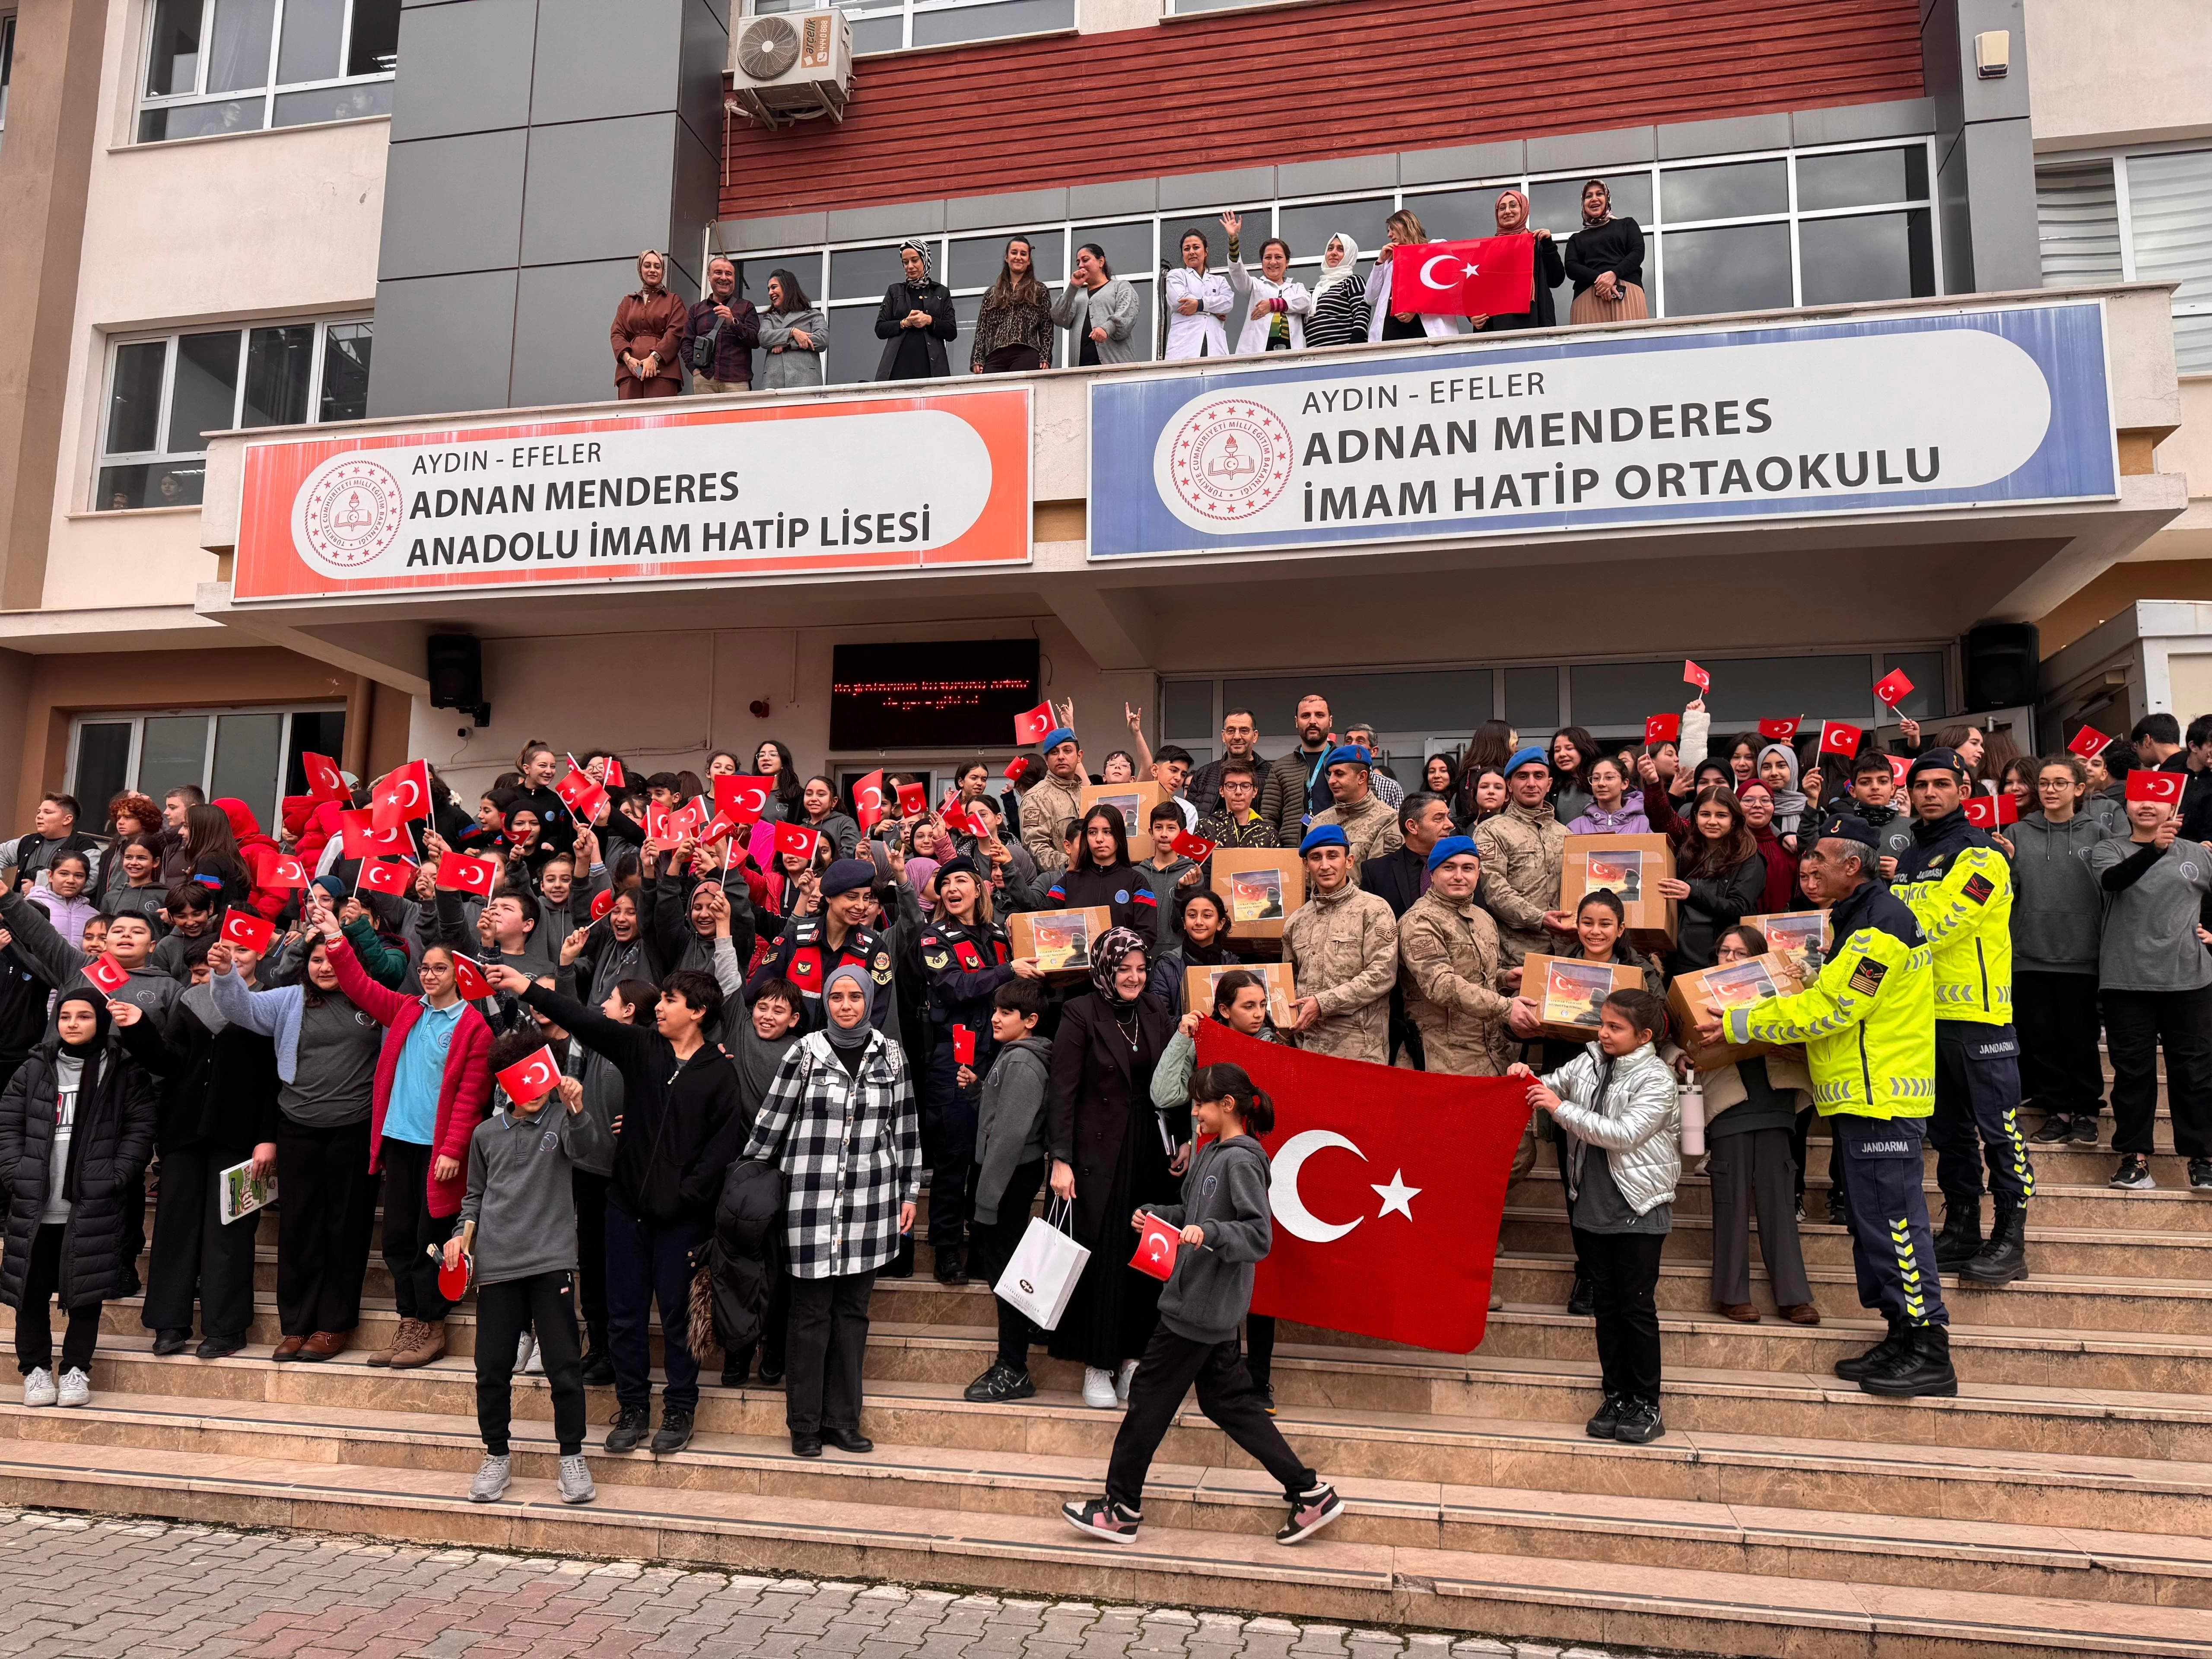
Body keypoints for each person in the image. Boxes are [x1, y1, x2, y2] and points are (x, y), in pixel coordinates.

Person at [1698, 815, 1955, 1398]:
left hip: (1883, 1099)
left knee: (1896, 1227)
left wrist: (1742, 1020)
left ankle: (1929, 1346)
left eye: (1820, 861)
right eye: (1806, 861)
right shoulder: (1855, 922)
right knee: (1872, 1231)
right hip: (1859, 1099)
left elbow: (1833, 1010)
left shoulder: (1883, 926)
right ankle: (1899, 1335)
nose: (1808, 870)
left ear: (1852, 867)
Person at [1062, 1062, 1343, 1549]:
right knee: (1226, 1401)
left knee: (1148, 1399)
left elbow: (1258, 1236)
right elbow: (1195, 1215)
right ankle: (1309, 1492)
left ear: (1227, 1106)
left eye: (1199, 1104)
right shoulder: (1212, 1154)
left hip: (1198, 1308)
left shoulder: (1242, 1160)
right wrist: (1161, 1216)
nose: (1193, 1112)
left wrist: (1207, 1233)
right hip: (1198, 1302)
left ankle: (1120, 1508)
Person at [505, 966, 741, 1456]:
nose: (659, 1005)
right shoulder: (642, 1049)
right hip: (625, 1209)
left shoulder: (720, 1072)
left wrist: (686, 1197)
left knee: (677, 1319)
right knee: (624, 1316)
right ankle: (632, 1407)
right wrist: (524, 987)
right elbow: (584, 1021)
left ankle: (680, 1408)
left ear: (696, 1012)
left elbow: (722, 1149)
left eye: (671, 1000)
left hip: (681, 1222)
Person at [316, 889, 495, 1371]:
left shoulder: (472, 1026)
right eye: (425, 969)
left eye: (439, 969)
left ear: (459, 974)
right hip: (400, 1143)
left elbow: (471, 1096)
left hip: (439, 1151)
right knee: (396, 1239)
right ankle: (409, 1319)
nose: (429, 975)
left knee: (430, 1240)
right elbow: (358, 984)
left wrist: (455, 1148)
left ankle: (431, 1325)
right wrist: (336, 936)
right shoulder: (408, 1011)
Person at [745, 963, 919, 1457]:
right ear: (826, 1001)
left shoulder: (890, 1056)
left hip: (870, 1204)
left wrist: (909, 1194)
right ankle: (804, 1424)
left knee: (852, 1315)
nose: (846, 1006)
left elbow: (905, 1129)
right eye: (837, 997)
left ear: (868, 1002)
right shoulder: (805, 1052)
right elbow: (770, 1124)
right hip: (810, 1203)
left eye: (855, 998)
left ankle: (843, 1421)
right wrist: (748, 1181)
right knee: (809, 1316)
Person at [1893, 750, 2034, 1286]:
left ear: (1963, 791)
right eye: (1920, 785)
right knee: (1948, 1133)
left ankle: (2010, 1237)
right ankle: (1961, 1227)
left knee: (1999, 1132)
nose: (1929, 793)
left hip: (1978, 1016)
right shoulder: (1908, 857)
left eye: (1941, 784)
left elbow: (1943, 920)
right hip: (1922, 1016)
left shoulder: (1981, 855)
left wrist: (1874, 919)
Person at [1513, 987, 1678, 1443]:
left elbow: (1624, 1134)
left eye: (1615, 1028)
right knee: (1605, 1309)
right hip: (1590, 1205)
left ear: (1643, 1035)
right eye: (1602, 1024)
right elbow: (1550, 1084)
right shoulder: (1587, 1059)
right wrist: (1526, 1076)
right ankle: (1616, 1395)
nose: (1603, 1034)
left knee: (1636, 1308)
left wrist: (1558, 1109)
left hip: (1639, 1207)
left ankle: (1646, 1403)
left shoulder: (1658, 1079)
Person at [209, 930, 383, 1361]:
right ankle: (297, 1325)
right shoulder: (289, 999)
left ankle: (333, 1325)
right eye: (316, 960)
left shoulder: (375, 1003)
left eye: (333, 959)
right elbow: (241, 1009)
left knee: (346, 1229)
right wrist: (225, 974)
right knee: (299, 1228)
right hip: (298, 1127)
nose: (324, 967)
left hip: (354, 1129)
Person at [452, 1033, 608, 1507]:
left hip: (551, 1261)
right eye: (522, 1076)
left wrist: (578, 1109)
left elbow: (590, 1151)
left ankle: (571, 1458)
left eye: (540, 1072)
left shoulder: (563, 1119)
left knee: (564, 1366)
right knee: (491, 1369)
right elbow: (475, 1195)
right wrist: (462, 1235)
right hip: (497, 1265)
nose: (534, 1085)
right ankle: (496, 1455)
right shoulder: (484, 1134)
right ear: (505, 1081)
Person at [0, 988, 161, 1408]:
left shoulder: (124, 1071)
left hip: (91, 1204)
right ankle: (34, 1370)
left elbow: (140, 1128)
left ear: (101, 1022)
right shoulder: (34, 1069)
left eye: (84, 1016)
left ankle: (75, 1370)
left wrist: (118, 1175)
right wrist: (15, 1173)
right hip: (36, 1204)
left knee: (86, 1293)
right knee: (30, 1294)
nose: (73, 1023)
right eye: (66, 1015)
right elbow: (8, 1126)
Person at [1047, 927, 1179, 1409]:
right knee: (1101, 1256)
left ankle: (1132, 1361)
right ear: (1105, 968)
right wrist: (1060, 1160)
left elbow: (1172, 1082)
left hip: (1148, 1152)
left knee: (1144, 1255)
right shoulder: (1079, 1012)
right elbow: (1061, 1091)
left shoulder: (1154, 1012)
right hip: (1094, 1158)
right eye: (1124, 969)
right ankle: (1097, 1364)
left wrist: (1180, 1139)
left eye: (1141, 970)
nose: (1134, 978)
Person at [135, 934, 280, 1360]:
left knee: (230, 1233)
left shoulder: (270, 1006)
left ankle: (226, 1327)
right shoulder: (191, 1000)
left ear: (260, 958)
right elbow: (169, 1062)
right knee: (174, 1229)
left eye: (244, 951)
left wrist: (268, 1137)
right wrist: (138, 1031)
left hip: (242, 1137)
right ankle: (169, 1323)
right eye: (228, 950)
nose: (234, 958)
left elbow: (276, 1078)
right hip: (184, 1133)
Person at [1149, 973, 1284, 1400]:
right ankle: (1224, 1380)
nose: (1258, 1013)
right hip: (1204, 1178)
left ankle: (1255, 1381)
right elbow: (1164, 1091)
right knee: (1207, 1274)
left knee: (1256, 1278)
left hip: (1249, 1171)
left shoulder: (1278, 1046)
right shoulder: (1204, 1043)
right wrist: (1182, 1038)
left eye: (1262, 1004)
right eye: (1248, 1006)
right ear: (1222, 1009)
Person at [915, 854, 1036, 1284]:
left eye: (961, 881)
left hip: (1000, 1055)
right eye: (944, 883)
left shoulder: (1000, 934)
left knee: (991, 1158)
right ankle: (947, 1248)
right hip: (956, 1057)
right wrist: (1007, 971)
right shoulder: (934, 939)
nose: (951, 889)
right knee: (955, 1157)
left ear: (979, 889)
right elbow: (954, 987)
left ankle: (983, 1247)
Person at [2088, 788, 2212, 1191]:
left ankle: (2202, 1157)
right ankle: (2135, 1157)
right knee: (2133, 1073)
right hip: (2127, 978)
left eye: (2157, 799)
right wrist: (2155, 851)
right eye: (2138, 797)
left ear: (2173, 805)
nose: (2147, 805)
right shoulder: (2109, 849)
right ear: (2126, 805)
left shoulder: (2198, 853)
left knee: (2194, 1072)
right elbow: (2114, 882)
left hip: (2189, 978)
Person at [1700, 925, 1818, 1325]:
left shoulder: (1782, 992)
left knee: (1778, 1200)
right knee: (1730, 1198)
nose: (1730, 960)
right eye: (1724, 952)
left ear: (1758, 959)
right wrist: (1679, 1055)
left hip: (1774, 1098)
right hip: (1728, 1101)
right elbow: (1675, 1035)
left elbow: (1812, 1023)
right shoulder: (1698, 992)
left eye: (1740, 954)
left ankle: (1793, 1296)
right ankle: (1731, 1294)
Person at [961, 978, 1054, 1404]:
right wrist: (980, 1091)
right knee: (1005, 1272)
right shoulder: (1014, 1056)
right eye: (995, 1010)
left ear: (1030, 1021)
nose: (995, 1018)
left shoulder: (1022, 1062)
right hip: (1007, 1174)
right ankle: (1012, 1359)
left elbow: (1009, 1137)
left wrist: (984, 1203)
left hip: (1008, 1178)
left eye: (1006, 1013)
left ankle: (1013, 1367)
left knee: (1008, 1278)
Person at [2012, 756, 2113, 1148]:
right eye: (2044, 783)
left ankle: (2086, 1110)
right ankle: (2056, 1111)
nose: (2050, 790)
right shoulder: (2017, 833)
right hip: (2031, 953)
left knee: (2080, 1037)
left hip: (2082, 955)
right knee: (2042, 1037)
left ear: (2079, 789)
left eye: (2059, 783)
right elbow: (2007, 891)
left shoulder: (2099, 835)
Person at [1282, 826, 1398, 1064]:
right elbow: (1288, 981)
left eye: (1333, 856)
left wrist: (1323, 1003)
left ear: (1349, 861)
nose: (1325, 865)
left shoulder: (1374, 909)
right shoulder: (1296, 922)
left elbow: (1382, 974)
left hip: (1359, 1050)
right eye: (1316, 858)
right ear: (1306, 866)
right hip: (1308, 1048)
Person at [1399, 837, 1512, 1079]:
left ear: (1478, 873)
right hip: (1443, 1057)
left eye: (1468, 868)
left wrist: (1505, 978)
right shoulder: (1420, 921)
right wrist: (1507, 1008)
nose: (1459, 876)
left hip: (1491, 1053)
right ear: (1433, 872)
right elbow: (1440, 985)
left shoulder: (1484, 918)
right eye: (1449, 868)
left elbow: (1485, 973)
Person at [746, 858, 895, 1035]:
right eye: (852, 897)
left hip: (843, 1054)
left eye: (867, 898)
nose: (861, 906)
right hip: (789, 1050)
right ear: (830, 897)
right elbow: (756, 998)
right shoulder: (795, 937)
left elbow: (875, 1015)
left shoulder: (873, 949)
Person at [1651, 785, 1765, 978]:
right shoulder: (1687, 852)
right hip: (1680, 956)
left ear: (1735, 820)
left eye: (1721, 815)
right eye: (1705, 814)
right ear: (1695, 817)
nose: (1712, 822)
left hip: (1722, 957)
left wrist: (1693, 893)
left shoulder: (1750, 858)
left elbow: (1741, 908)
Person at [1474, 747, 1571, 967]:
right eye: (1522, 776)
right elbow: (1494, 891)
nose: (1531, 783)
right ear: (1510, 785)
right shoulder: (1492, 831)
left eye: (1539, 776)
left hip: (1568, 953)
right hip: (1517, 956)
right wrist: (1539, 919)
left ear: (1549, 784)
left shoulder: (1566, 835)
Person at [1040, 805, 1158, 936]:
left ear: (1119, 835)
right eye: (1093, 832)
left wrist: (1129, 952)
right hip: (1079, 955)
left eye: (1107, 832)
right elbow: (1041, 921)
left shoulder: (1136, 882)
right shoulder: (1068, 882)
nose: (1099, 839)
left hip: (1123, 956)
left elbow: (1147, 932)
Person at [1469, 188, 1564, 332]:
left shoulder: (1537, 243)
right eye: (1502, 208)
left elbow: (1556, 280)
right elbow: (1469, 289)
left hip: (1535, 326)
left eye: (1513, 206)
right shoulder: (1485, 250)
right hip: (1495, 329)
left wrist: (1549, 246)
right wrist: (1471, 316)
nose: (1507, 211)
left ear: (1524, 209)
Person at [1363, 208, 1463, 342]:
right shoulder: (1390, 263)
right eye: (1388, 231)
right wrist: (1380, 262)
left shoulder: (1435, 249)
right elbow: (1370, 298)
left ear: (1406, 225)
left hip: (1425, 333)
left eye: (1392, 228)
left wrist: (1417, 308)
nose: (1389, 235)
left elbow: (1449, 288)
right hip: (1391, 335)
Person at [1306, 744, 1403, 880]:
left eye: (1340, 774)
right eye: (1330, 774)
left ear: (1362, 777)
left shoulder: (1388, 819)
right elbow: (1307, 878)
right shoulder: (1320, 821)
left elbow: (1382, 880)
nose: (1332, 781)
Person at [1220, 213, 1311, 354]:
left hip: (1292, 358)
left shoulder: (1297, 288)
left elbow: (1305, 302)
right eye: (1268, 257)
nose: (1273, 262)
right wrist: (1234, 240)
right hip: (1258, 358)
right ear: (1262, 263)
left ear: (1287, 263)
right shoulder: (1255, 286)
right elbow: (1237, 271)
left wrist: (1272, 305)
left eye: (1279, 257)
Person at [1564, 180, 1648, 322]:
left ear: (1607, 199)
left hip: (1627, 294)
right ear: (1583, 203)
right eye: (1589, 196)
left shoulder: (1627, 225)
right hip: (1587, 298)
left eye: (1599, 194)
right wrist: (1600, 280)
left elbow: (1638, 252)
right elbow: (1571, 267)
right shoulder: (1576, 239)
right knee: (1589, 344)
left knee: (1632, 342)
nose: (1594, 199)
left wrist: (1614, 274)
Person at [970, 235, 1056, 374]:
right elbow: (982, 328)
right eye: (1014, 253)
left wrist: (1046, 356)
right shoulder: (992, 293)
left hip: (1026, 351)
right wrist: (977, 358)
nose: (1018, 257)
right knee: (992, 393)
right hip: (995, 354)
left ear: (1029, 261)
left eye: (1023, 254)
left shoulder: (1039, 290)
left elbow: (1047, 328)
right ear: (1007, 257)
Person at [874, 239, 958, 381]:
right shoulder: (894, 291)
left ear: (925, 260)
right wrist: (904, 323)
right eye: (905, 262)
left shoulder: (941, 292)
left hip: (931, 370)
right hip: (897, 369)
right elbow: (880, 329)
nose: (910, 267)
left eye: (915, 260)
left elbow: (951, 332)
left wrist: (929, 320)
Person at [1364, 792, 1455, 920]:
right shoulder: (1376, 872)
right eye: (1439, 818)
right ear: (1413, 826)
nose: (1450, 825)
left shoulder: (1463, 867)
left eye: (1448, 817)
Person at [611, 249, 685, 400]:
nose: (652, 270)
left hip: (664, 371)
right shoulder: (627, 303)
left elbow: (676, 332)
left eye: (657, 267)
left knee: (660, 419)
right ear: (640, 269)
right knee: (630, 420)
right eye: (647, 266)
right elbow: (617, 334)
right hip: (630, 372)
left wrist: (654, 358)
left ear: (663, 271)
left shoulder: (673, 301)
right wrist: (628, 360)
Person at [1052, 243, 1141, 366]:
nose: (1081, 265)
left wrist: (1107, 328)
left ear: (1101, 262)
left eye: (1085, 260)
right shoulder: (1077, 295)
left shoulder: (1121, 287)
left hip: (1115, 368)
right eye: (1078, 263)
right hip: (1081, 372)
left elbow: (1128, 314)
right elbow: (1058, 318)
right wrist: (1073, 287)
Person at [684, 254, 758, 394]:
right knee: (705, 417)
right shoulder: (696, 309)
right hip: (704, 380)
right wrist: (695, 371)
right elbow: (687, 343)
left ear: (734, 279)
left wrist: (733, 322)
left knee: (739, 417)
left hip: (737, 380)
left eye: (729, 274)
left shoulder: (747, 307)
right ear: (709, 276)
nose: (724, 278)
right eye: (718, 273)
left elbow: (755, 341)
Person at [1021, 723, 1087, 876]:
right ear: (1046, 760)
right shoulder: (1036, 798)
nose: (1061, 757)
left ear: (1079, 756)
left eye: (1068, 751)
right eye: (1054, 752)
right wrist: (1072, 864)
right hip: (1059, 883)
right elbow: (1035, 848)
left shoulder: (1087, 792)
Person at [1163, 226, 1232, 360]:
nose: (1192, 252)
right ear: (1183, 255)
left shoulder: (1219, 281)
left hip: (1215, 349)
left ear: (1206, 252)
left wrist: (1199, 305)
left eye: (1196, 247)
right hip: (1183, 350)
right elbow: (1179, 300)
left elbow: (1227, 303)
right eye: (1187, 249)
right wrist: (1213, 309)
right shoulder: (1176, 275)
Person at [757, 269, 828, 390]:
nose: (770, 293)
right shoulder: (770, 318)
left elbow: (822, 340)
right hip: (774, 381)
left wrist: (788, 344)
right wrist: (792, 332)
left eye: (774, 287)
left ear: (787, 288)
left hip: (805, 380)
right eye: (769, 289)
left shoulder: (813, 315)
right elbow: (763, 337)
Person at [1738, 782, 1799, 917]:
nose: (1758, 805)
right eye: (1748, 800)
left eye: (1765, 800)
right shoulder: (1729, 847)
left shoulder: (1787, 847)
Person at [1193, 756, 1276, 854]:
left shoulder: (1268, 833)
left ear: (1255, 791)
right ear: (1221, 790)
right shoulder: (1205, 828)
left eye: (1245, 786)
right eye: (1231, 786)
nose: (1238, 792)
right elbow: (1197, 866)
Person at [1302, 232, 1370, 349]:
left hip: (1344, 356)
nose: (1334, 253)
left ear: (1349, 255)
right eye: (1330, 249)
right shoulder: (1314, 292)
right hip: (1314, 359)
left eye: (1341, 249)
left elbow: (1362, 313)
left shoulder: (1352, 281)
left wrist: (1355, 346)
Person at [1566, 754, 1647, 836]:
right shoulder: (1576, 827)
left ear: (1625, 784)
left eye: (1609, 777)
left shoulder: (1644, 824)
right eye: (1596, 778)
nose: (1601, 784)